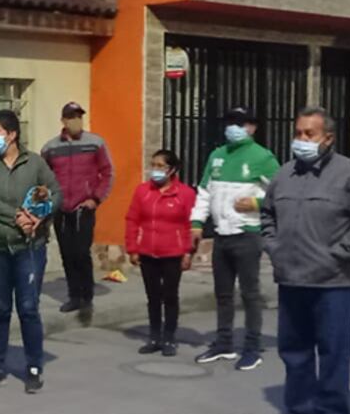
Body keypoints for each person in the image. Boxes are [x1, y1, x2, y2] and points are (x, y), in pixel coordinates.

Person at [262, 107, 350, 414]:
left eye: (309, 134)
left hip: (332, 283)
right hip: (291, 279)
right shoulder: (284, 175)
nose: (300, 140)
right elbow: (267, 215)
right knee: (294, 351)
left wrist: (337, 255)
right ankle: (299, 411)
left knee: (333, 352)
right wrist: (273, 248)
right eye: (298, 132)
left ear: (328, 138)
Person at [0, 110, 61, 394]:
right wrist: (17, 216)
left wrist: (40, 215)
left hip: (29, 247)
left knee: (28, 308)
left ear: (12, 134)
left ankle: (33, 366)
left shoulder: (34, 162)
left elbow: (55, 192)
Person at [189, 106, 280, 371]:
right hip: (222, 235)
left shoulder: (262, 157)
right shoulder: (217, 156)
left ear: (252, 127)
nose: (234, 128)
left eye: (240, 123)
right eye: (230, 122)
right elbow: (205, 192)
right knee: (223, 294)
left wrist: (256, 202)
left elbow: (282, 193)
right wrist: (196, 223)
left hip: (247, 235)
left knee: (250, 294)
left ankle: (252, 347)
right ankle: (224, 343)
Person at [42, 102, 114, 321]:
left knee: (82, 252)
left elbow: (107, 172)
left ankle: (86, 296)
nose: (76, 121)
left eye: (79, 117)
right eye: (72, 117)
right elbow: (43, 176)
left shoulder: (95, 143)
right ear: (63, 120)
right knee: (68, 253)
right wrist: (49, 200)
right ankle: (74, 295)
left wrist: (96, 198)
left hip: (84, 207)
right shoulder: (50, 148)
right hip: (61, 208)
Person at [124, 149, 197, 357]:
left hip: (173, 253)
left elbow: (191, 225)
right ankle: (154, 336)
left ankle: (169, 337)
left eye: (160, 166)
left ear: (172, 169)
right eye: (153, 164)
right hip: (148, 252)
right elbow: (132, 220)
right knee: (153, 296)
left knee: (170, 296)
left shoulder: (185, 194)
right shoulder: (142, 192)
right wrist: (132, 248)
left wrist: (188, 253)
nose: (155, 170)